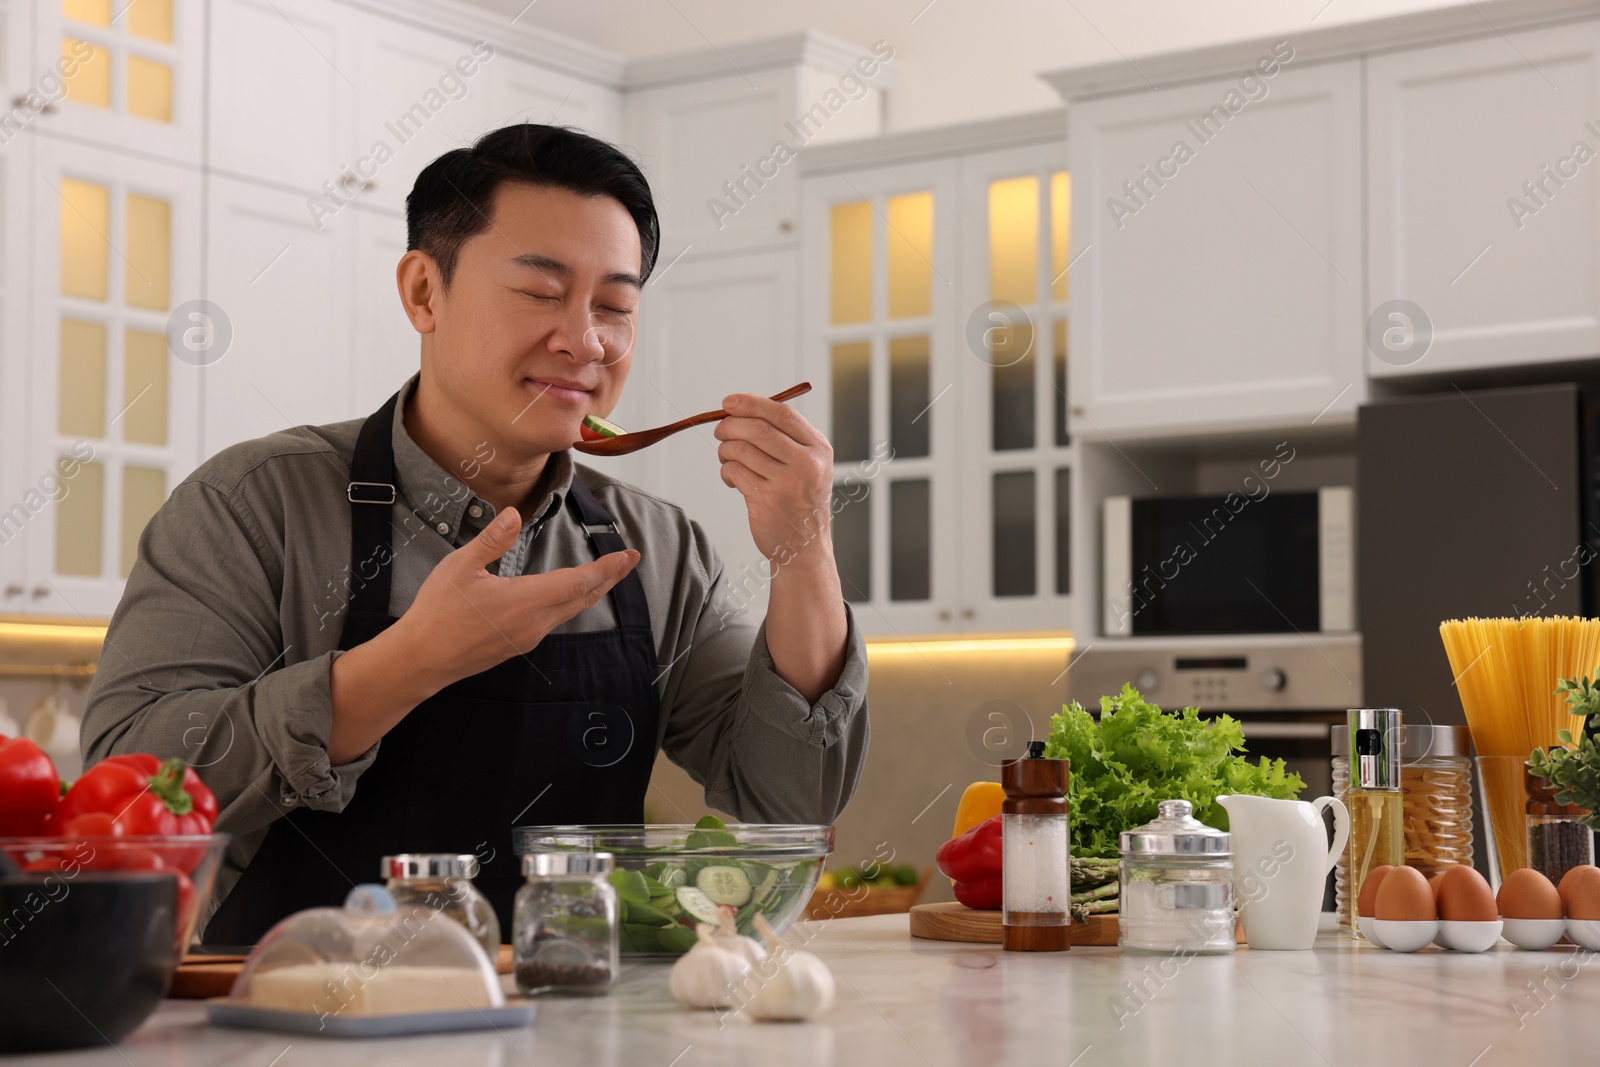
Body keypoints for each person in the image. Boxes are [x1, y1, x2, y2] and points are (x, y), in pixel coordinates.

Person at [80, 124, 870, 943]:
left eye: (616, 306)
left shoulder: (657, 545)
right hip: (295, 1025)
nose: (586, 340)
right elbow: (127, 785)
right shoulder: (252, 505)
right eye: (540, 292)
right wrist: (405, 663)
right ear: (424, 292)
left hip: (574, 1024)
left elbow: (791, 799)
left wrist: (804, 549)